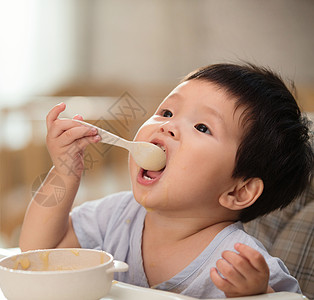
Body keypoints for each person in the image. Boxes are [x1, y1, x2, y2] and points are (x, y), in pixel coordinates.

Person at [19, 63, 313, 298]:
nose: (169, 126)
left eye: (202, 127)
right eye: (167, 112)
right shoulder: (115, 216)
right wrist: (64, 170)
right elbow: (38, 251)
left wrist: (258, 294)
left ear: (238, 191)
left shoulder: (239, 264)